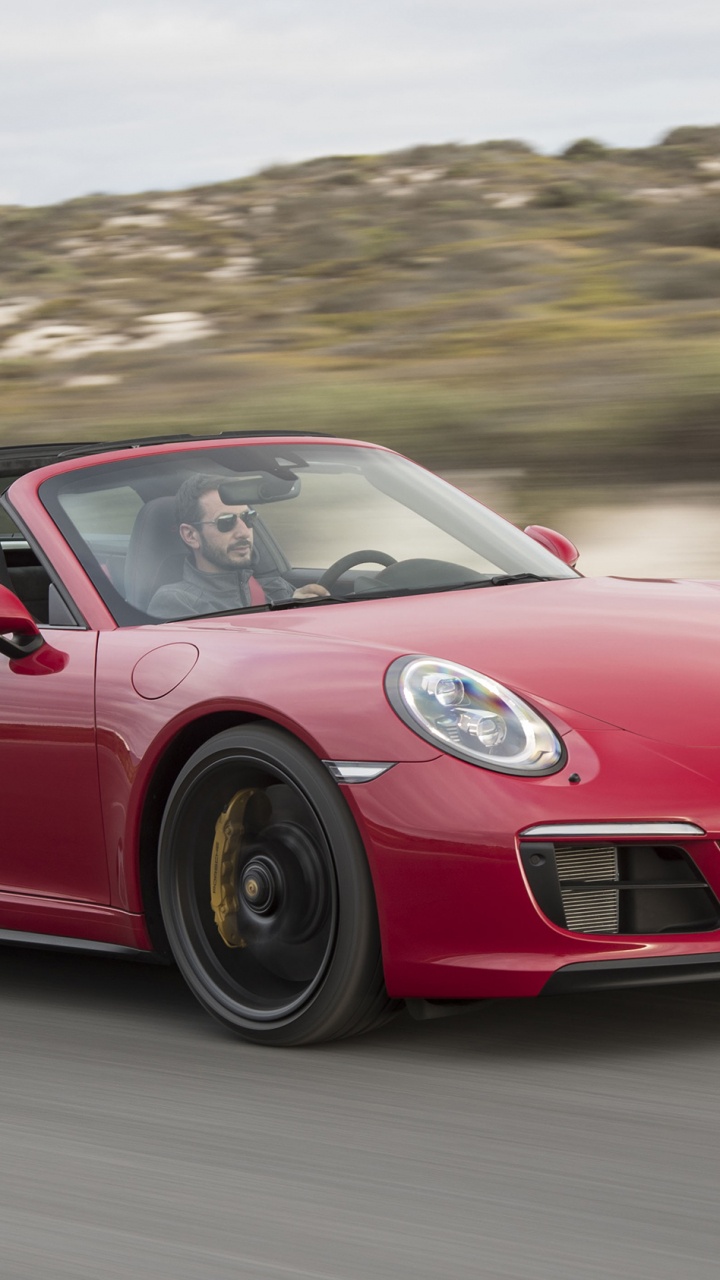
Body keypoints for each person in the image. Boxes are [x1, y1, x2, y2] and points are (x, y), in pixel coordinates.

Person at [148, 473, 329, 617]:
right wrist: (286, 616)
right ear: (191, 535)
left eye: (248, 518)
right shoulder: (176, 602)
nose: (244, 532)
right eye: (226, 522)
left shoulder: (276, 587)